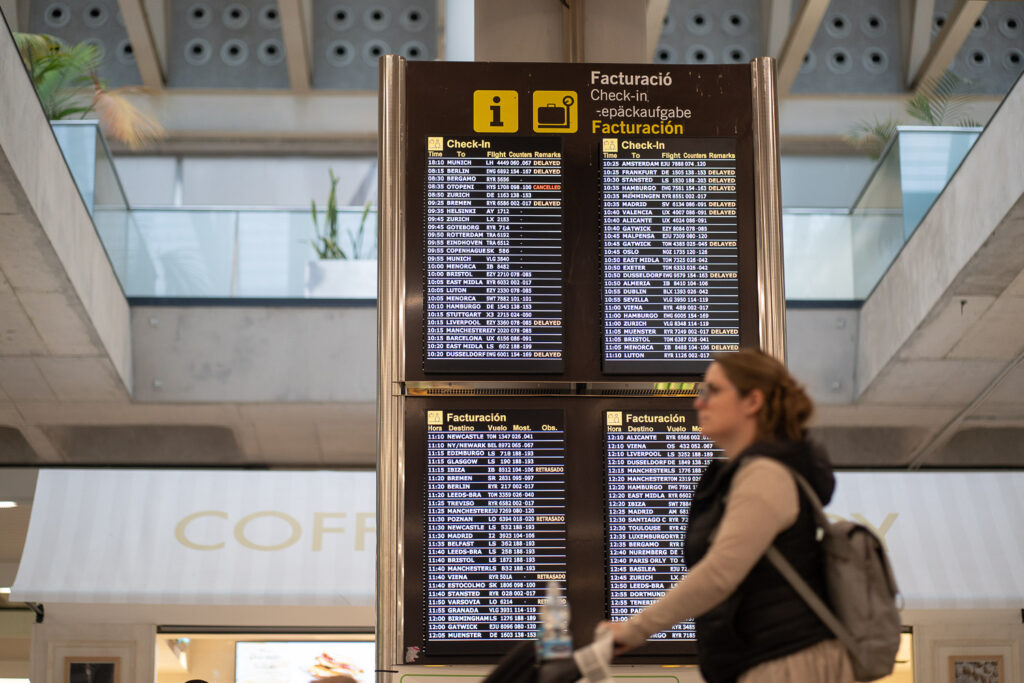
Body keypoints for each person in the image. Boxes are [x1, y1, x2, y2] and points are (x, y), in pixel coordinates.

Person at [601, 349, 854, 683]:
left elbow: (720, 572)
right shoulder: (755, 471)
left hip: (788, 664)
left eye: (714, 391)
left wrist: (634, 629)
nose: (698, 403)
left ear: (752, 402)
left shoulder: (765, 474)